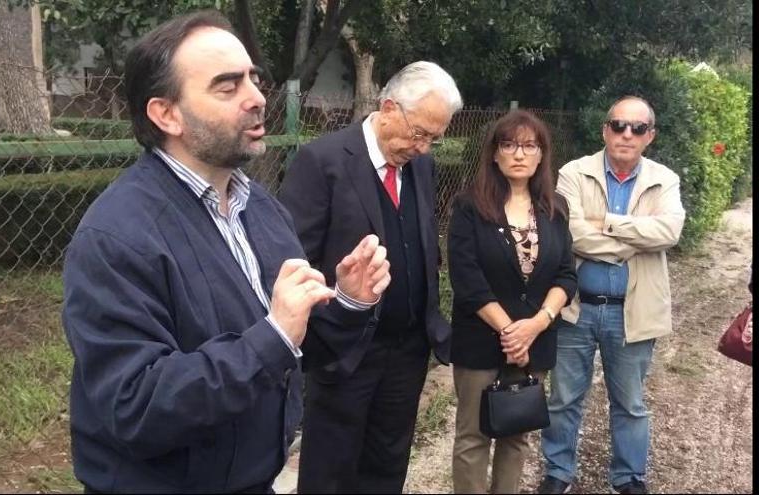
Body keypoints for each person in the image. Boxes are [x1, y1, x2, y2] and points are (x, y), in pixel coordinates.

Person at [61, 10, 392, 493]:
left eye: (253, 81)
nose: (257, 98)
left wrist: (346, 302)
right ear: (166, 113)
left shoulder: (261, 209)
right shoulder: (116, 238)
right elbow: (136, 405)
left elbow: (291, 349)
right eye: (227, 86)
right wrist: (273, 335)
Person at [278, 61, 461, 493]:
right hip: (345, 352)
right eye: (419, 133)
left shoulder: (420, 166)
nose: (424, 147)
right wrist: (330, 323)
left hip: (408, 349)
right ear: (388, 107)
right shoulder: (322, 162)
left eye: (435, 138)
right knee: (331, 469)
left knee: (388, 464)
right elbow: (293, 262)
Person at [538, 96, 685, 494]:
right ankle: (558, 471)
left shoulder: (664, 179)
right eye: (618, 125)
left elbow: (669, 232)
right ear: (605, 129)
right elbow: (569, 233)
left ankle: (628, 478)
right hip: (576, 308)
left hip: (633, 312)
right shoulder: (574, 172)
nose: (626, 134)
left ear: (649, 136)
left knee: (631, 404)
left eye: (637, 128)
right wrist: (635, 237)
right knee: (564, 398)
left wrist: (608, 224)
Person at [446, 110, 577, 493]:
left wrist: (536, 325)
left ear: (541, 155)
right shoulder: (469, 207)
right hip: (481, 340)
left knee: (516, 434)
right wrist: (510, 333)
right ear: (494, 154)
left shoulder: (556, 209)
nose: (519, 154)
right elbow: (468, 281)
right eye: (509, 145)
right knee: (472, 438)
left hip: (535, 340)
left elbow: (566, 275)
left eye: (529, 146)